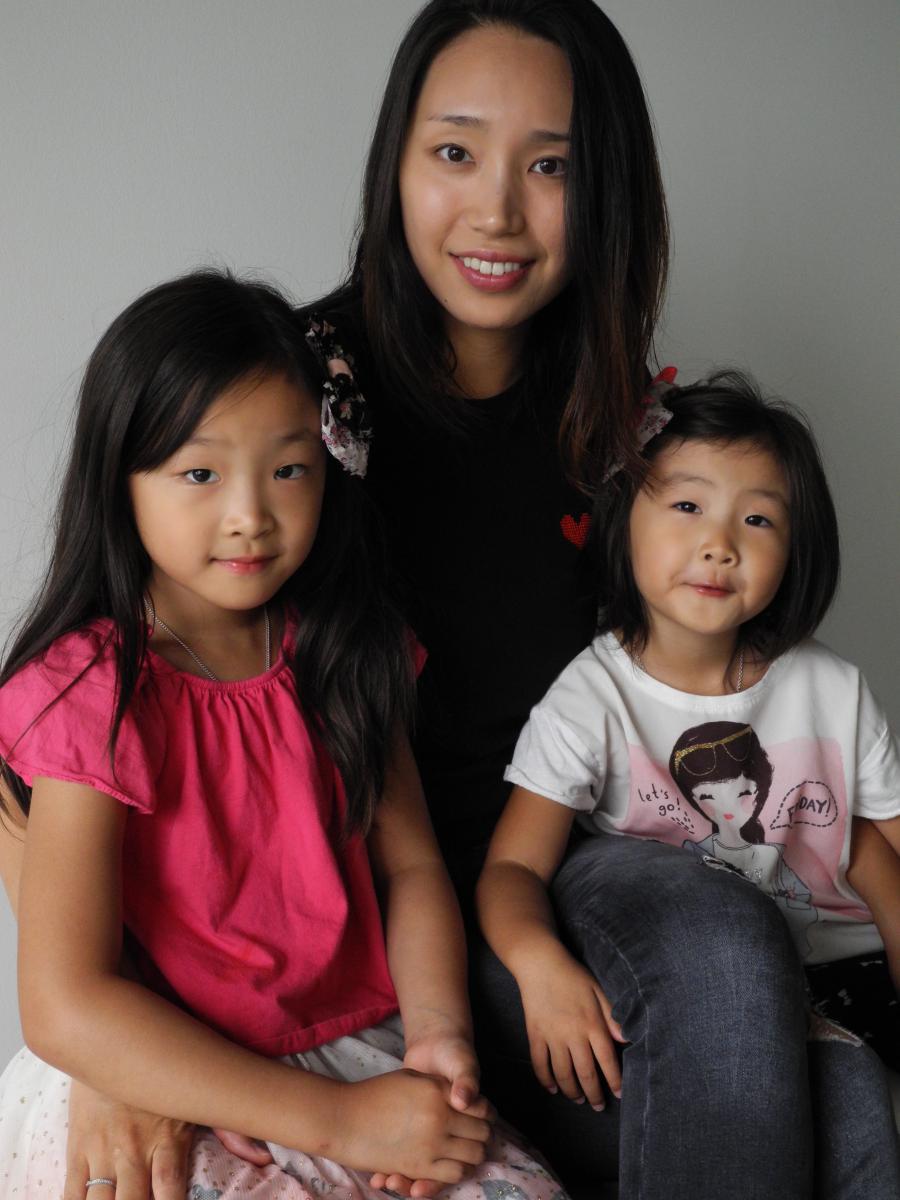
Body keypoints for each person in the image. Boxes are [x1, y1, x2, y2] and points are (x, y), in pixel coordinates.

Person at [1, 1, 893, 1196]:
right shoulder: (289, 399)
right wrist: (118, 1058)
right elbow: (53, 743)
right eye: (457, 151)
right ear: (397, 162)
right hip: (360, 933)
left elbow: (730, 675)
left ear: (607, 188)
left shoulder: (629, 427)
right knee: (743, 989)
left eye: (551, 166)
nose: (497, 211)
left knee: (839, 1087)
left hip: (565, 880)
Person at [0, 270, 569, 1200]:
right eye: (199, 473)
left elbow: (412, 870)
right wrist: (341, 1124)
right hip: (176, 1073)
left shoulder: (350, 650)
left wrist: (438, 1039)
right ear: (120, 479)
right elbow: (66, 1005)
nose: (251, 516)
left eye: (290, 469)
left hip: (365, 1053)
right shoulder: (91, 692)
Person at [477, 374, 900, 1195]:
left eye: (758, 519)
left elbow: (882, 848)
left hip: (840, 973)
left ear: (798, 547)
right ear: (623, 519)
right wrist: (541, 968)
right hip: (697, 990)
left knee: (864, 1119)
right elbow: (513, 868)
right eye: (686, 506)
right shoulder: (591, 697)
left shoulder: (833, 690)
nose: (720, 544)